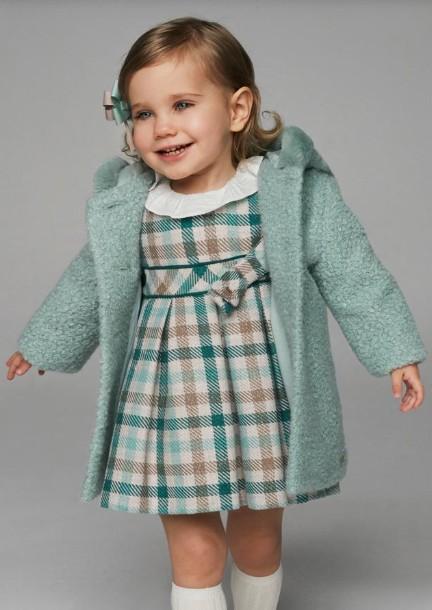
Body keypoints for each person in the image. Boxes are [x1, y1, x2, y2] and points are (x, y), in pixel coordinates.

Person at [6, 16, 427, 610]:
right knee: (195, 546)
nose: (163, 127)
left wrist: (395, 350)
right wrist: (46, 340)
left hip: (263, 389)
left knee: (257, 537)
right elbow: (92, 280)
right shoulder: (135, 206)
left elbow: (352, 268)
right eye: (144, 112)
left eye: (182, 104)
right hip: (168, 395)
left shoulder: (285, 192)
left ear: (237, 109)